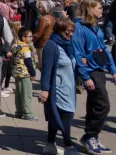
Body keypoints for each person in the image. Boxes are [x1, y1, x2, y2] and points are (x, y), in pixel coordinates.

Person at [72, 0, 116, 155]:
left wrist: (113, 70)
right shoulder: (79, 28)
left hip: (99, 69)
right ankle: (89, 136)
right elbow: (78, 53)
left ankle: (92, 137)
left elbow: (104, 49)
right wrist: (85, 77)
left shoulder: (96, 27)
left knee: (94, 105)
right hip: (90, 71)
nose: (101, 10)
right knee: (103, 105)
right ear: (90, 8)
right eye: (98, 7)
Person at [40, 18, 78, 155]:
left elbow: (73, 63)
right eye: (69, 31)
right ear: (61, 30)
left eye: (72, 31)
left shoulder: (68, 44)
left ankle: (50, 144)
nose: (71, 34)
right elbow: (46, 69)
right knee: (66, 116)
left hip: (69, 87)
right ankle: (68, 146)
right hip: (59, 89)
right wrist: (45, 89)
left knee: (55, 118)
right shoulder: (51, 45)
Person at [10, 27, 37, 121]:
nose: (31, 38)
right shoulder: (25, 48)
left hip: (17, 73)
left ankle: (19, 111)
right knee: (27, 94)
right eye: (29, 37)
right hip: (25, 73)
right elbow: (28, 61)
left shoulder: (16, 46)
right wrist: (33, 73)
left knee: (19, 94)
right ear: (23, 38)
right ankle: (28, 113)